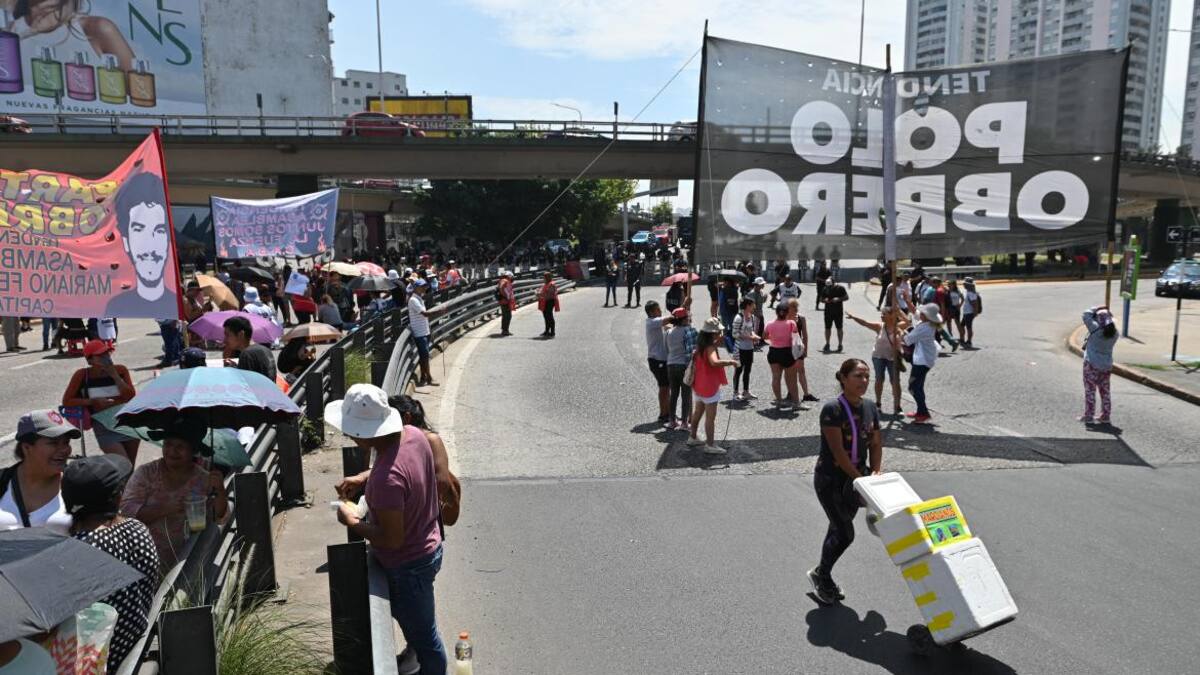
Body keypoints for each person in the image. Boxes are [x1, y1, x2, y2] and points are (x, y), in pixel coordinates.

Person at [327, 384, 447, 674]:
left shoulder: (387, 481)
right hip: (430, 545)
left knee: (426, 642)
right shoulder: (415, 436)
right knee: (421, 630)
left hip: (409, 566)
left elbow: (392, 539)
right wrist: (364, 477)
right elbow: (401, 465)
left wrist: (353, 521)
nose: (349, 435)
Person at [63, 454, 158, 669]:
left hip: (104, 657)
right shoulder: (137, 528)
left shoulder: (80, 550)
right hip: (136, 640)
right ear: (116, 499)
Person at [808, 358, 883, 605]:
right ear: (843, 378)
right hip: (831, 478)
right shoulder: (833, 409)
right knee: (845, 532)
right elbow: (838, 453)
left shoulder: (870, 407)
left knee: (837, 529)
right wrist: (861, 480)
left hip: (856, 478)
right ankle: (823, 575)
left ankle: (821, 573)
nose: (863, 381)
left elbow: (875, 443)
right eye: (857, 376)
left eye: (866, 376)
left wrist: (876, 472)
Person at [120, 423, 228, 572]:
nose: (172, 451)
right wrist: (168, 508)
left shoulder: (204, 479)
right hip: (143, 559)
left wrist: (220, 490)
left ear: (194, 451)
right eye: (168, 444)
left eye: (180, 447)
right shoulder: (146, 473)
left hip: (185, 560)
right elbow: (126, 512)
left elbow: (219, 516)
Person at [104, 172, 177, 317]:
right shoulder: (115, 307)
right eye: (139, 230)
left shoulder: (177, 304)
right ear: (126, 242)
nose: (150, 246)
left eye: (159, 230)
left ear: (168, 242)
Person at [1, 409, 79, 533]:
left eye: (66, 442)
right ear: (26, 447)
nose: (64, 450)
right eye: (53, 443)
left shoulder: (79, 485)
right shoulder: (3, 481)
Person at [62, 340, 140, 461]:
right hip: (103, 425)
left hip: (127, 422)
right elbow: (67, 401)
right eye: (100, 355)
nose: (105, 358)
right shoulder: (82, 375)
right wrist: (92, 402)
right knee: (122, 463)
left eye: (107, 354)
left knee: (129, 467)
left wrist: (115, 376)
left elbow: (130, 396)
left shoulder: (120, 370)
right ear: (90, 360)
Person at [686, 317, 736, 454]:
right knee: (710, 417)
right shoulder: (710, 348)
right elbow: (714, 362)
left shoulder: (700, 345)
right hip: (709, 386)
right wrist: (731, 362)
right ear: (712, 333)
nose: (720, 334)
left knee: (698, 412)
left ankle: (692, 437)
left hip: (698, 385)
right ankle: (710, 444)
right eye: (718, 332)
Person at [847, 308, 905, 415]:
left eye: (884, 314)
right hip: (878, 356)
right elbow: (865, 323)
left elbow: (908, 322)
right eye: (881, 314)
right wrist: (853, 317)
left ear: (891, 316)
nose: (882, 316)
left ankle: (897, 406)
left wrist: (899, 312)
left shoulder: (898, 327)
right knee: (879, 379)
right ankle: (878, 403)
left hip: (893, 358)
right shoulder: (879, 326)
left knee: (895, 382)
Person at [903, 304, 942, 424]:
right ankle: (921, 411)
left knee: (913, 386)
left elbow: (907, 340)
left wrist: (900, 331)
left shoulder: (925, 328)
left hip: (922, 361)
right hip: (924, 359)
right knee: (918, 386)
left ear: (927, 316)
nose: (921, 314)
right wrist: (907, 300)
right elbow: (915, 315)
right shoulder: (926, 324)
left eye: (923, 313)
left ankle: (923, 412)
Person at [1081, 306, 1118, 425]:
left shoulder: (1095, 329)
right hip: (1106, 365)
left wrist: (1096, 308)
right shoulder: (1115, 334)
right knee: (1105, 391)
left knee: (1090, 390)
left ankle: (1089, 415)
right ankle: (1105, 415)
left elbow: (1085, 315)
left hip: (1091, 363)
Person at [665, 307, 697, 430]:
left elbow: (666, 349)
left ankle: (671, 420)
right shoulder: (689, 331)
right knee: (686, 394)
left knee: (673, 394)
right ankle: (684, 423)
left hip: (671, 364)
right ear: (684, 319)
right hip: (684, 366)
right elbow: (693, 350)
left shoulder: (668, 332)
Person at [409, 279, 445, 387]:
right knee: (425, 356)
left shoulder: (419, 298)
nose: (424, 288)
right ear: (415, 288)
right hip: (419, 333)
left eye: (425, 286)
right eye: (422, 286)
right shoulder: (413, 300)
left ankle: (423, 376)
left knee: (423, 356)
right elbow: (424, 314)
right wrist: (439, 311)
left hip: (424, 331)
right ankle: (429, 378)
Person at [764, 303, 800, 410]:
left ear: (776, 312)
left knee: (776, 377)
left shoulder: (770, 324)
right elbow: (795, 336)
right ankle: (796, 403)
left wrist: (773, 338)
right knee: (791, 379)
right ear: (787, 313)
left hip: (774, 351)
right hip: (787, 352)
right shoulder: (791, 323)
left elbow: (764, 336)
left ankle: (779, 401)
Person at [644, 301, 672, 426]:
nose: (660, 311)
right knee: (664, 387)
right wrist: (683, 308)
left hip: (663, 359)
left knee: (667, 386)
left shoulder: (657, 323)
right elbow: (669, 319)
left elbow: (668, 325)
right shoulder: (651, 322)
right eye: (657, 310)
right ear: (651, 312)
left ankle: (668, 411)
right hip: (657, 360)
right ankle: (663, 414)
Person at [786, 298, 818, 406]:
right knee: (790, 372)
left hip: (798, 347)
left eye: (796, 307)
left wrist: (806, 349)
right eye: (793, 307)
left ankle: (806, 394)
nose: (795, 309)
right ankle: (791, 393)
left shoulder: (801, 318)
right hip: (787, 347)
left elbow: (805, 334)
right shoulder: (784, 318)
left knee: (801, 371)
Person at [731, 298, 761, 402]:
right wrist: (750, 338)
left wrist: (755, 336)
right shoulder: (738, 317)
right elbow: (734, 334)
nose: (754, 307)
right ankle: (735, 392)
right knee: (738, 370)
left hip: (749, 348)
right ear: (748, 305)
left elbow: (751, 331)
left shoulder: (752, 317)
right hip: (739, 348)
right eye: (753, 305)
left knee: (747, 370)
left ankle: (746, 391)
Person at [822, 282, 849, 352]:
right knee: (827, 328)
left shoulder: (840, 288)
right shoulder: (825, 288)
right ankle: (827, 343)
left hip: (838, 312)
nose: (829, 288)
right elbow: (821, 299)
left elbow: (846, 297)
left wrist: (838, 299)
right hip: (828, 312)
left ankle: (840, 344)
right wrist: (825, 300)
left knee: (839, 328)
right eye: (828, 286)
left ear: (833, 284)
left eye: (830, 286)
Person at [536, 272, 560, 338]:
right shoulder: (546, 284)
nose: (544, 278)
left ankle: (552, 332)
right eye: (544, 277)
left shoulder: (551, 284)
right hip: (545, 301)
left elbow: (550, 294)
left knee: (549, 316)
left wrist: (539, 294)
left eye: (546, 277)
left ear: (549, 277)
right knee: (546, 316)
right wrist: (539, 292)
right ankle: (547, 331)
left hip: (550, 301)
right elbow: (543, 292)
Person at [960, 278, 982, 348]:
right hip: (966, 313)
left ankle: (969, 341)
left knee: (969, 327)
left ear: (968, 285)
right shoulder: (969, 292)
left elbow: (975, 304)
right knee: (961, 326)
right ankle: (962, 339)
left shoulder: (971, 293)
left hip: (969, 313)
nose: (963, 285)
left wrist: (975, 313)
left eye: (965, 284)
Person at [496, 272, 517, 336]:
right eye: (512, 277)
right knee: (507, 316)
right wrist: (505, 297)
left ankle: (505, 330)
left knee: (507, 316)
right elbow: (501, 288)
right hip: (504, 301)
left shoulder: (506, 281)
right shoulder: (504, 280)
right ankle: (505, 330)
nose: (512, 279)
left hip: (506, 301)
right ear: (509, 276)